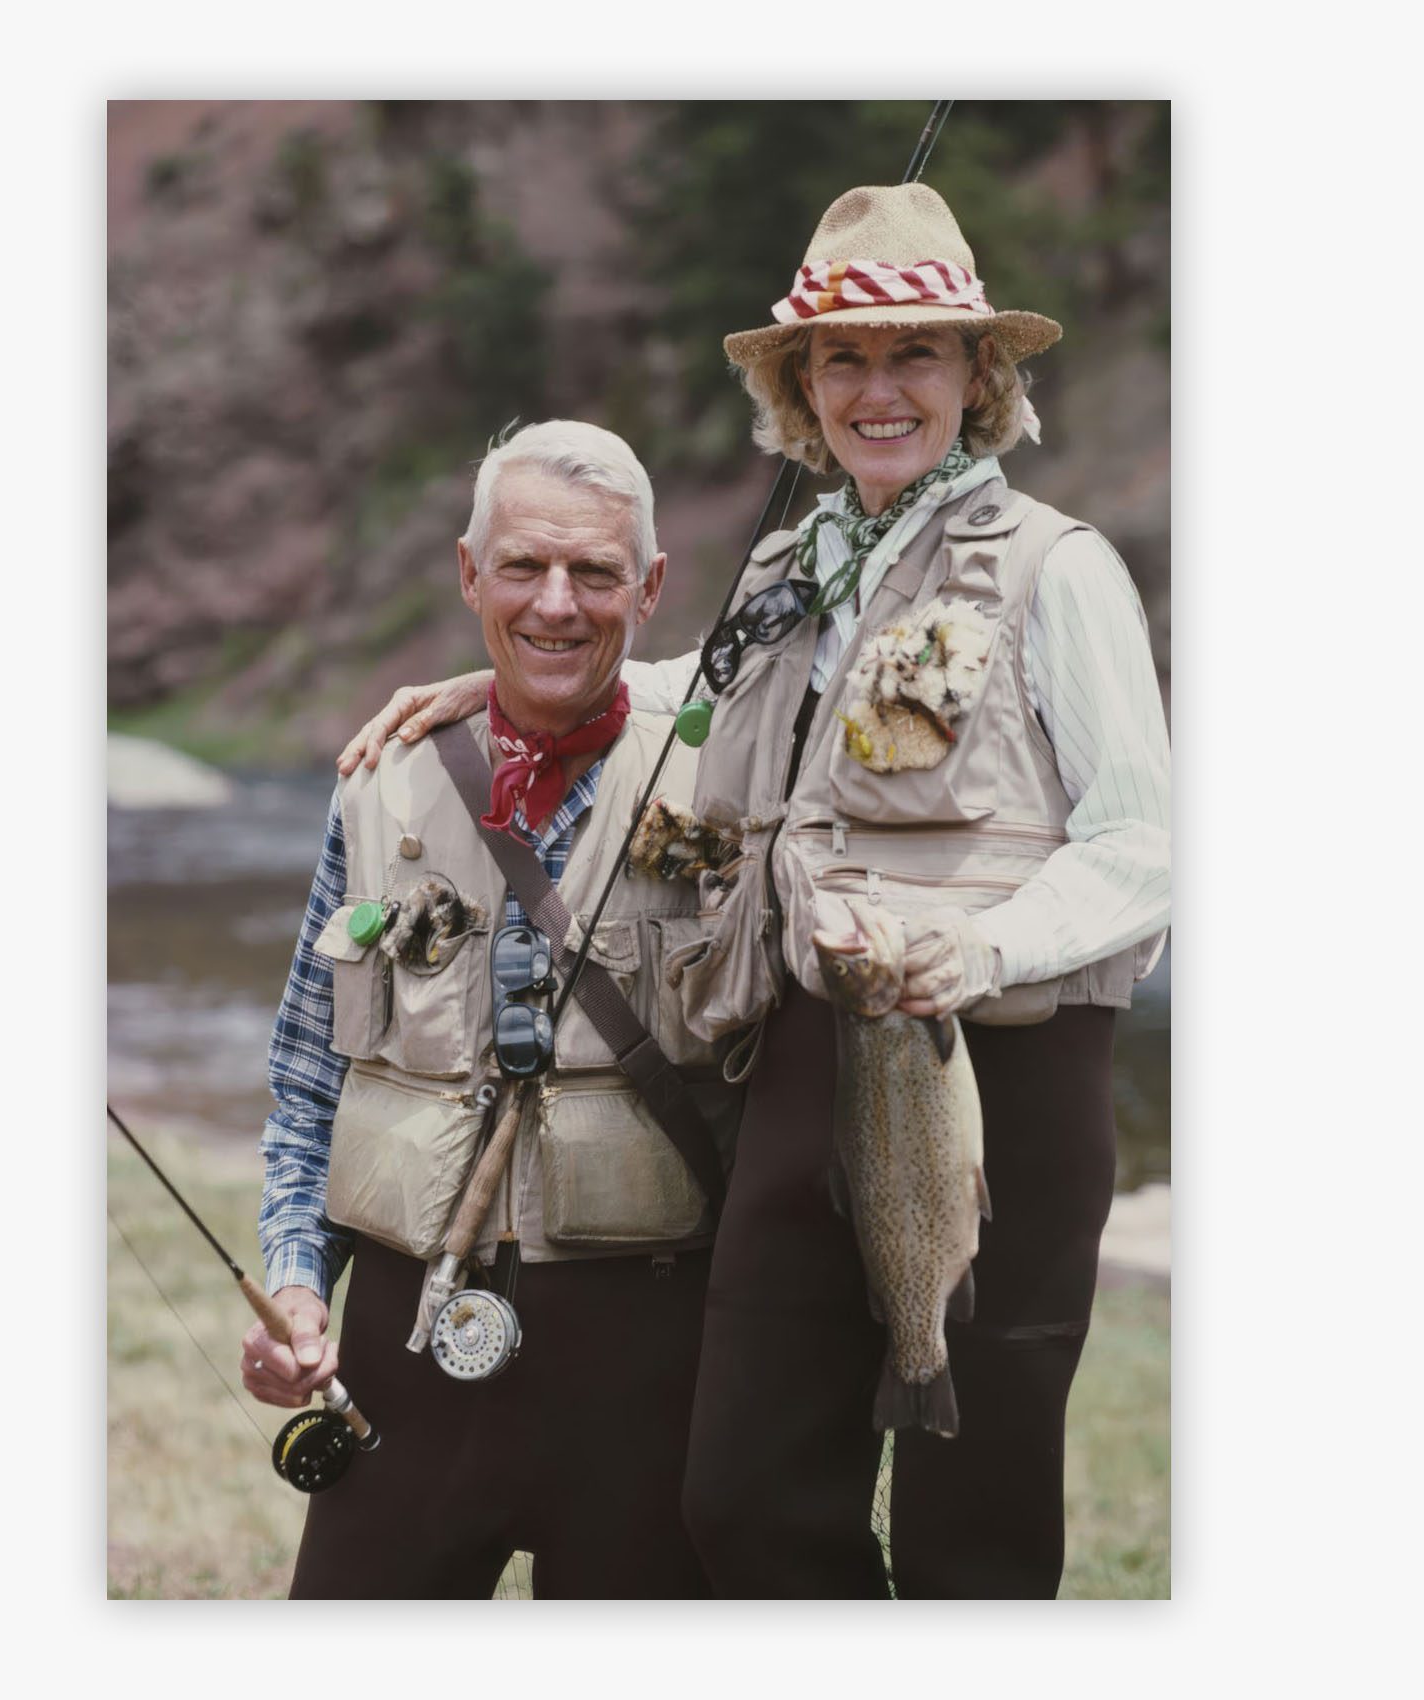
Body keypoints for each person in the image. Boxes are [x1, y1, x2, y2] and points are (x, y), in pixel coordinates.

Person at [335, 183, 1171, 1599]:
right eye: (843, 358)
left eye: (916, 353)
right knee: (738, 1493)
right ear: (802, 387)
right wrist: (520, 675)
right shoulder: (793, 564)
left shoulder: (1057, 568)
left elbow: (1144, 843)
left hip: (1005, 1081)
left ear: (979, 375)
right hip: (799, 1060)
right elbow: (704, 696)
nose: (878, 388)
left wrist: (981, 951)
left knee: (975, 1521)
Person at [244, 420, 741, 1599]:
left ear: (650, 589)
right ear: (470, 574)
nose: (555, 603)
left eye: (595, 572)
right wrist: (296, 1284)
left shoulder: (732, 770)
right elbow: (308, 1083)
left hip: (653, 1361)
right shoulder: (376, 781)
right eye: (521, 565)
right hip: (403, 1348)